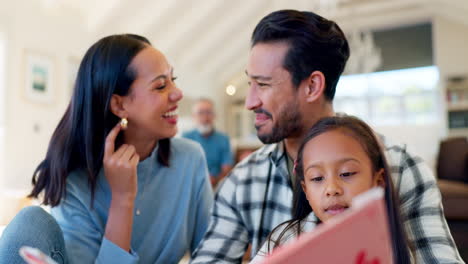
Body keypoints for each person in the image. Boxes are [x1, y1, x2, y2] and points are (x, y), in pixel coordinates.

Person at [191, 9, 463, 263]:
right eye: (251, 83)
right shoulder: (242, 181)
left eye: (262, 84)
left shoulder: (401, 167)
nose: (250, 101)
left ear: (312, 86)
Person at [0, 34, 213, 264]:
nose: (178, 93)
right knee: (30, 221)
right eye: (161, 85)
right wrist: (122, 199)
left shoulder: (190, 158)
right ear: (119, 105)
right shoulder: (75, 181)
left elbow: (213, 253)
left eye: (174, 79)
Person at [251, 115, 412, 263]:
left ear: (378, 181)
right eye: (317, 178)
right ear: (305, 190)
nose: (332, 189)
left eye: (346, 173)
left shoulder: (392, 247)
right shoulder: (283, 240)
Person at [183, 98, 233, 188]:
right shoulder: (185, 137)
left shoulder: (224, 139)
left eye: (208, 112)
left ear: (215, 116)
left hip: (217, 185)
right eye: (200, 113)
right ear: (193, 116)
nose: (205, 117)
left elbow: (227, 168)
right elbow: (183, 167)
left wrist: (215, 179)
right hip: (191, 185)